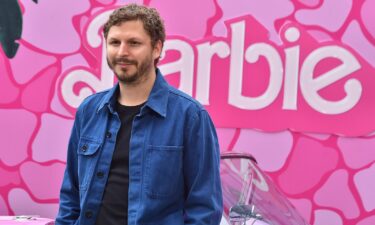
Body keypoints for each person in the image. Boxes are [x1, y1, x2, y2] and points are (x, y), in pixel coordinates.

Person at [55, 3, 223, 225]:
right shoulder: (89, 110)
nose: (122, 52)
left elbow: (204, 209)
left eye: (134, 43)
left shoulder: (190, 117)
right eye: (115, 42)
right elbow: (71, 194)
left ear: (156, 48)